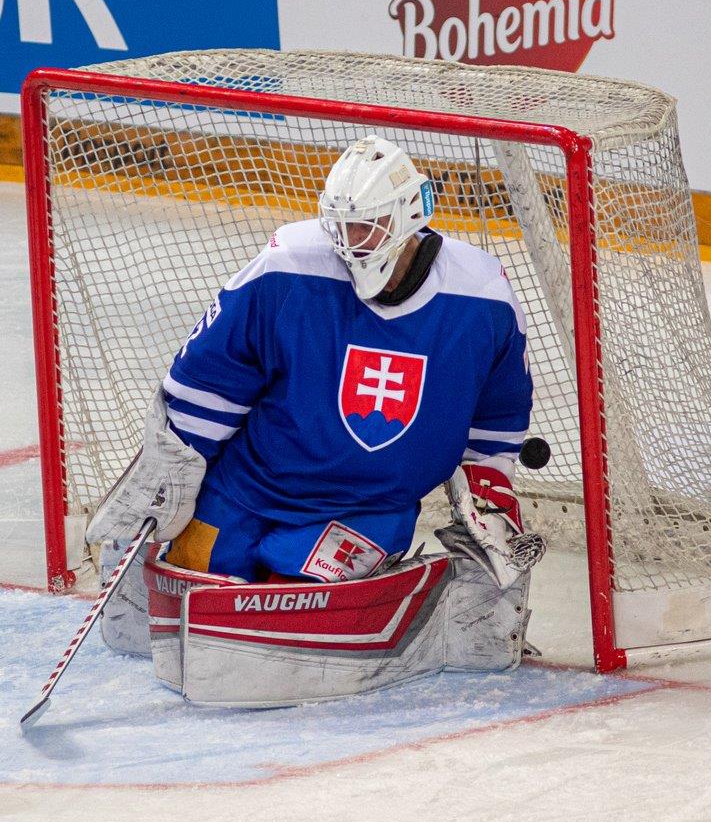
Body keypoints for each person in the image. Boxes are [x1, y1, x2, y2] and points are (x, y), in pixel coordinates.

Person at [89, 135, 538, 671]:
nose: (348, 241)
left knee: (293, 606)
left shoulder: (481, 293)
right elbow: (210, 378)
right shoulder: (289, 264)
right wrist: (168, 466)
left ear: (409, 214)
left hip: (368, 507)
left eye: (363, 226)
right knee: (190, 589)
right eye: (339, 225)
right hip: (249, 487)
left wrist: (487, 486)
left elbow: (497, 414)